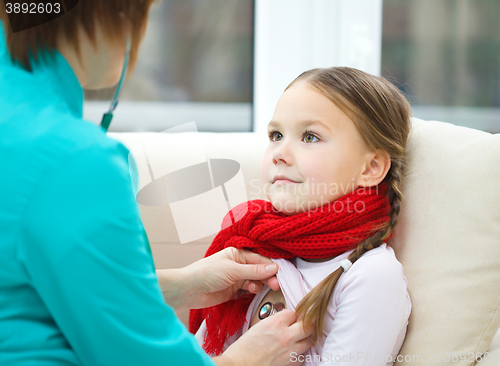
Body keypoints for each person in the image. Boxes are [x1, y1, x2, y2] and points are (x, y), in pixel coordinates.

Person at [0, 2, 312, 366]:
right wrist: (242, 360)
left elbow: (34, 289)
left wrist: (181, 285)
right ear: (110, 14)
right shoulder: (75, 162)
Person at [191, 67, 413, 366]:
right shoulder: (256, 251)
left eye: (309, 136)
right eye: (276, 135)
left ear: (370, 168)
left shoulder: (371, 277)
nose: (279, 153)